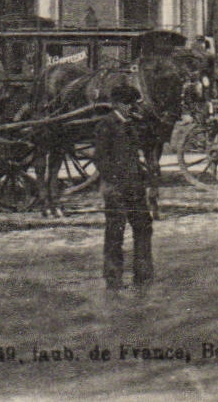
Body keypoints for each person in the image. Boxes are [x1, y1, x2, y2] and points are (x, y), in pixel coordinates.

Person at [95, 83, 154, 291]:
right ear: (117, 105)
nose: (132, 107)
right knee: (115, 232)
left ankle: (144, 273)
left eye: (133, 104)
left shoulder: (131, 124)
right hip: (116, 189)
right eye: (128, 104)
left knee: (144, 227)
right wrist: (115, 182)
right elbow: (101, 160)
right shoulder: (106, 125)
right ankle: (113, 277)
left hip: (135, 187)